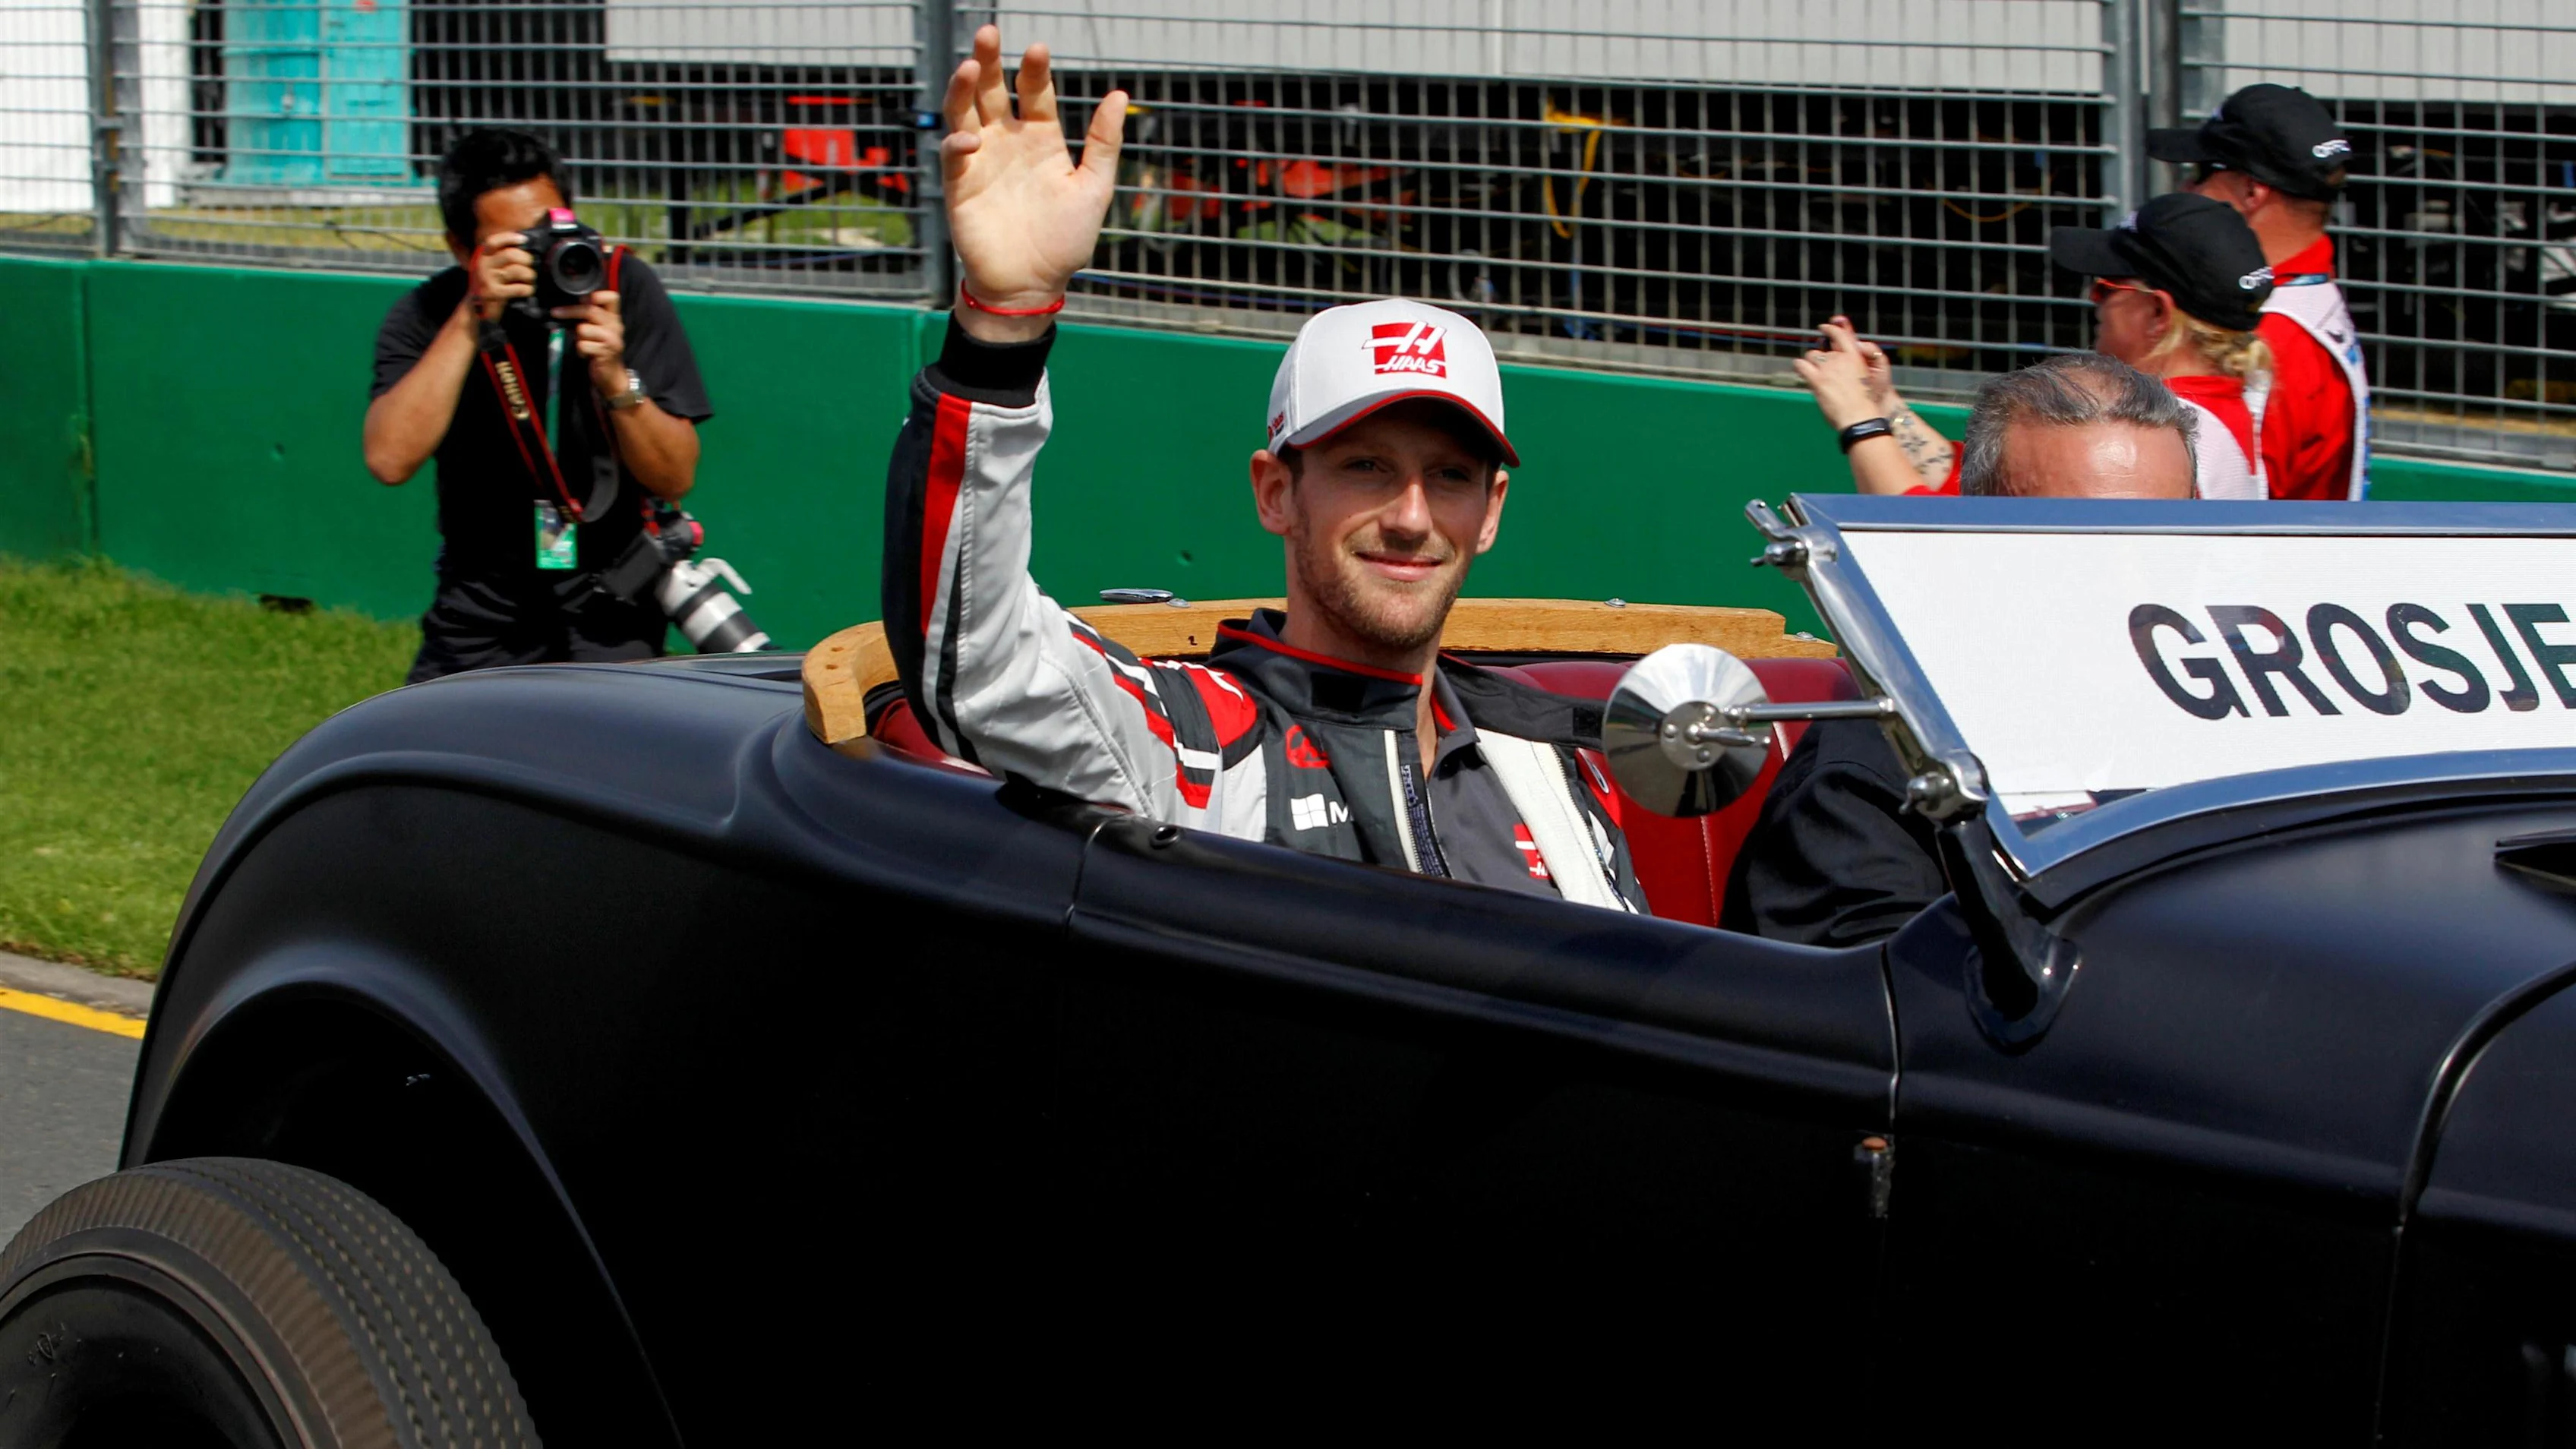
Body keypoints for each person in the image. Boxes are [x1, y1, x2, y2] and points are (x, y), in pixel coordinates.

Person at [881, 25, 1645, 910]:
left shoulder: (1550, 763)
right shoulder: (1198, 741)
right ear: (1276, 493)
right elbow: (984, 668)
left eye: (1447, 477)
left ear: (1491, 510)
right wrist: (1002, 323)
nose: (1410, 517)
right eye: (1365, 466)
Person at [1725, 353, 2196, 947]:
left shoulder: (2233, 722)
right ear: (1977, 546)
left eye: (2165, 538)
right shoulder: (1888, 766)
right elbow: (1891, 986)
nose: (2132, 580)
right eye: (2085, 543)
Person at [365, 129, 714, 683]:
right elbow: (389, 459)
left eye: (550, 229)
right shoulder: (430, 314)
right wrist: (472, 317)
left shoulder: (618, 286)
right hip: (482, 598)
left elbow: (675, 477)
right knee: (427, 737)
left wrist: (615, 378)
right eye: (514, 246)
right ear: (462, 249)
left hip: (610, 599)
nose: (541, 253)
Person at [1802, 194, 2275, 500]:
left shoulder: (2152, 429)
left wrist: (1859, 422)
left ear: (2157, 313)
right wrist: (1885, 406)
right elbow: (1976, 489)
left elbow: (1935, 544)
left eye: (2105, 287)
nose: (2093, 302)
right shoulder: (2215, 406)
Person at [2155, 83, 2369, 501]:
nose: (2186, 190)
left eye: (2199, 174)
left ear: (2251, 192)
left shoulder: (2266, 340)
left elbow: (2227, 511)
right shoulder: (2306, 295)